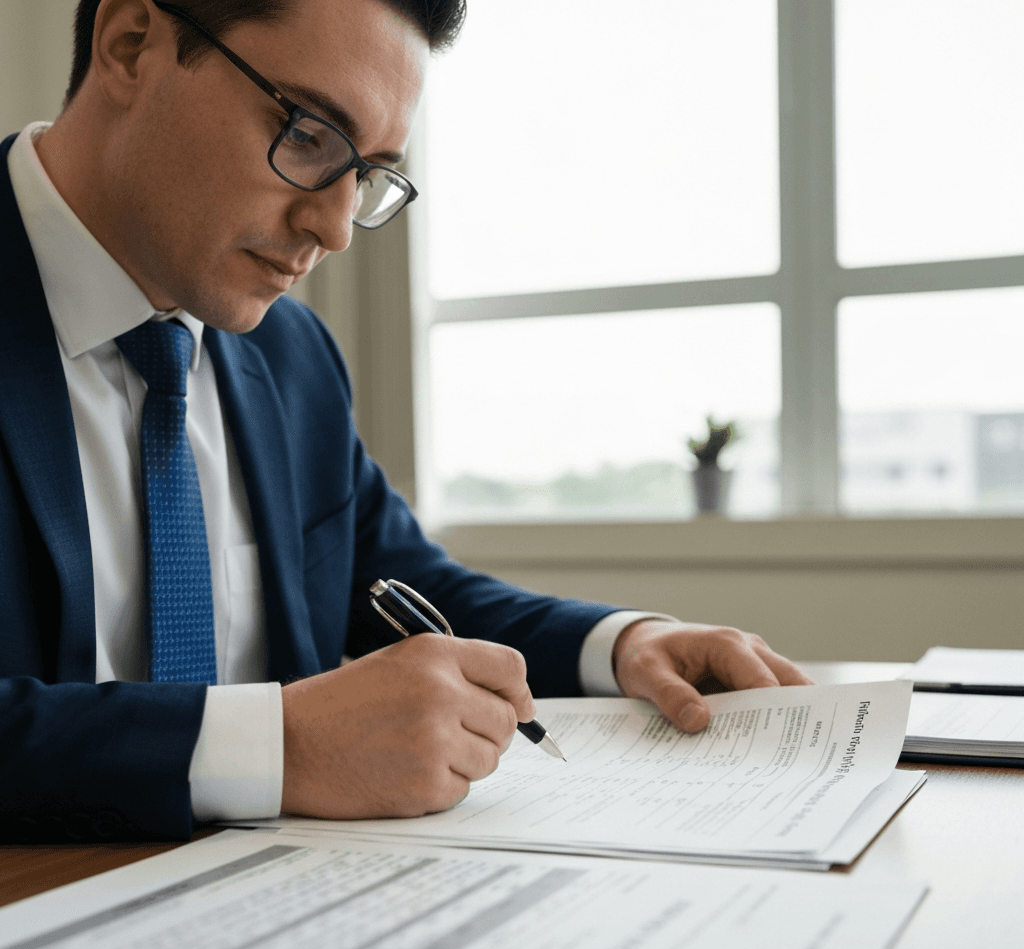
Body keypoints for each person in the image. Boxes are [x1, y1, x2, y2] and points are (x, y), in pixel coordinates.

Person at [0, 0, 812, 843]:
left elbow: (398, 585)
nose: (335, 226)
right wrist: (279, 745)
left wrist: (619, 645)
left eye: (371, 172)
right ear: (132, 45)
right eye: (309, 135)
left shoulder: (292, 355)